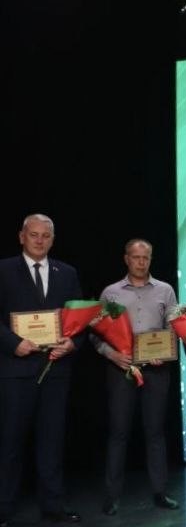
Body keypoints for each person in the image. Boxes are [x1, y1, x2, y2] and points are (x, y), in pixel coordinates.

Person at [0, 214, 84, 526]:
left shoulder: (67, 273)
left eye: (45, 236)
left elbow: (80, 320)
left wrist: (72, 343)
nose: (39, 240)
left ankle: (53, 506)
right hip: (15, 371)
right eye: (33, 234)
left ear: (52, 240)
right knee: (10, 443)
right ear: (21, 236)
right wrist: (13, 344)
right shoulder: (3, 269)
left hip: (55, 371)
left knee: (52, 442)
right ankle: (3, 508)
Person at [94, 239, 181, 516]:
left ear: (150, 259)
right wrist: (112, 355)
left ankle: (160, 492)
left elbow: (174, 328)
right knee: (118, 432)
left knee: (155, 432)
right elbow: (95, 333)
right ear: (126, 259)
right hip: (121, 370)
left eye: (146, 257)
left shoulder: (166, 290)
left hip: (156, 370)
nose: (141, 262)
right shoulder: (111, 293)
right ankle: (112, 496)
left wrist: (164, 353)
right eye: (136, 257)